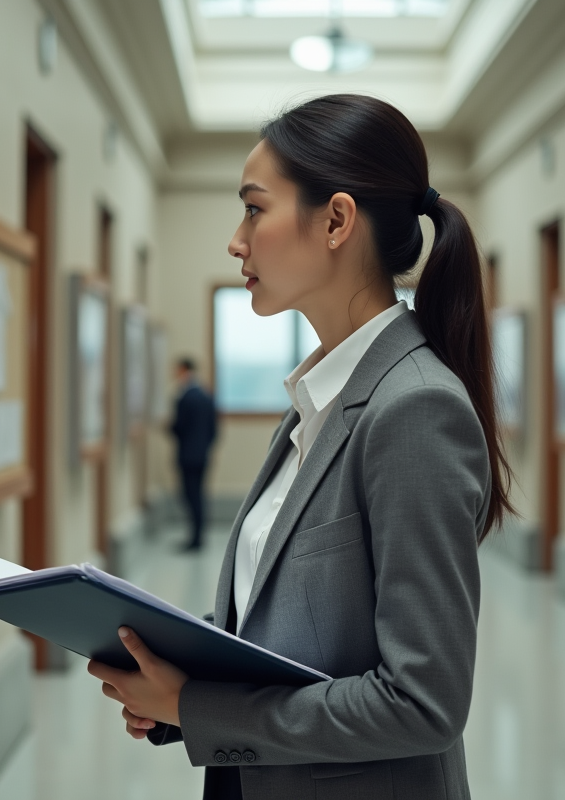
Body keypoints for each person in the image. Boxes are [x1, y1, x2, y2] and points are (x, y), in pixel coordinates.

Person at [88, 93, 513, 800]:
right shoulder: (318, 400)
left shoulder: (415, 409)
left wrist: (194, 707)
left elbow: (424, 703)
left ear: (337, 220)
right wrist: (172, 683)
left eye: (255, 208)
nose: (236, 238)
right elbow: (290, 632)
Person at [170, 357, 218, 552]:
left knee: (190, 495)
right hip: (202, 455)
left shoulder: (184, 398)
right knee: (199, 494)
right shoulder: (206, 396)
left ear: (183, 370)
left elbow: (179, 427)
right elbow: (214, 430)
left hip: (187, 456)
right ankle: (198, 535)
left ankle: (195, 538)